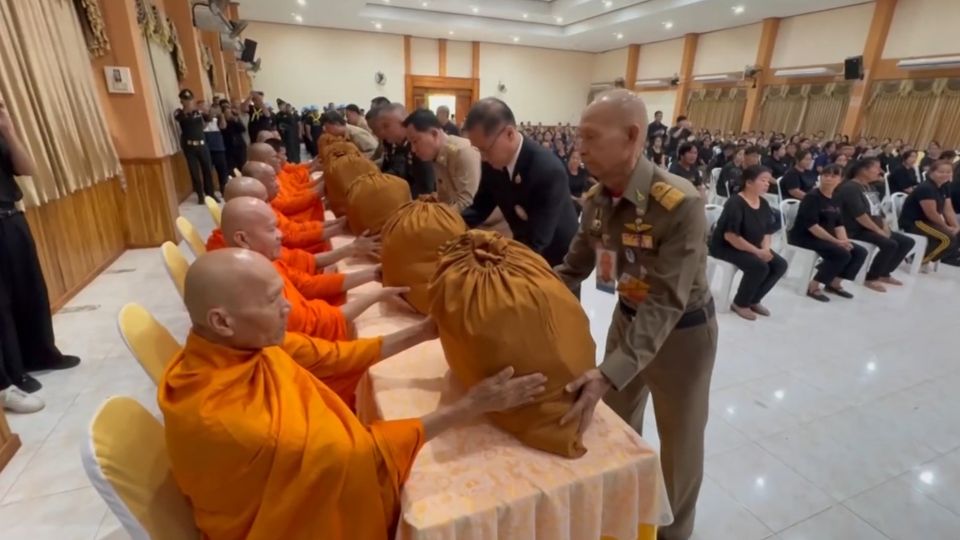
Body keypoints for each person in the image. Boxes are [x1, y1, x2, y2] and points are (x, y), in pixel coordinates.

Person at [160, 248, 546, 540]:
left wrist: (424, 330)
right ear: (222, 321)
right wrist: (471, 406)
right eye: (272, 300)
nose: (287, 307)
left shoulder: (230, 349)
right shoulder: (233, 420)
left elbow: (335, 356)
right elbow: (362, 458)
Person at [554, 90, 716, 540]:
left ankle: (674, 533)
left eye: (590, 137)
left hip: (681, 337)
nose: (580, 148)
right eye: (578, 137)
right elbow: (572, 268)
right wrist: (517, 288)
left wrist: (610, 371)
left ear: (631, 136)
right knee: (617, 425)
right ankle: (624, 513)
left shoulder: (679, 204)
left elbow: (666, 300)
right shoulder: (597, 200)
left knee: (680, 446)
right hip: (627, 319)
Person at [0, 99, 80, 412]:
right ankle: (13, 374)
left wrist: (9, 130)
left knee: (31, 291)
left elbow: (27, 169)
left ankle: (41, 354)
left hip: (11, 217)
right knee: (2, 304)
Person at [461, 98, 578, 267]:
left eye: (485, 150)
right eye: (478, 150)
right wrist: (452, 225)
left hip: (558, 256)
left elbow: (537, 240)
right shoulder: (492, 162)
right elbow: (480, 206)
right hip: (524, 245)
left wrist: (505, 266)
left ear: (509, 134)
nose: (482, 158)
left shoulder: (547, 170)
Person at [709, 166, 787, 320]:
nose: (767, 184)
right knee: (759, 266)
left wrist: (766, 249)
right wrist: (757, 252)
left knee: (780, 265)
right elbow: (731, 236)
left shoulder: (763, 203)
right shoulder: (735, 203)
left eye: (768, 181)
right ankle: (740, 303)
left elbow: (767, 231)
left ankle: (754, 299)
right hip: (726, 246)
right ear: (749, 183)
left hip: (752, 244)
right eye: (762, 180)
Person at [787, 164, 867, 302]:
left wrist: (844, 241)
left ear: (841, 179)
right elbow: (812, 227)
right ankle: (813, 286)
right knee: (841, 253)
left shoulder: (836, 197)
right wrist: (837, 242)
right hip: (805, 236)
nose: (828, 179)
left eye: (834, 176)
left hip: (825, 237)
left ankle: (834, 283)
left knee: (859, 252)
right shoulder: (812, 197)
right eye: (825, 175)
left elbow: (839, 224)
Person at [835, 158, 915, 292]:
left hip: (872, 227)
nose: (880, 171)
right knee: (890, 244)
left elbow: (879, 211)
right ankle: (871, 277)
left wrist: (885, 227)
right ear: (864, 170)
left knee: (907, 242)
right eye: (876, 168)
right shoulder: (851, 188)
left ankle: (884, 273)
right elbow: (860, 216)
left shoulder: (869, 187)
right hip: (855, 229)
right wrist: (878, 231)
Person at [403, 108, 478, 211]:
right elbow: (445, 199)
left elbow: (466, 202)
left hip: (481, 218)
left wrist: (437, 217)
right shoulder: (437, 155)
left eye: (415, 141)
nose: (413, 149)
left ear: (434, 134)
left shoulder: (462, 151)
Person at [898, 160, 960, 268]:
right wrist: (946, 227)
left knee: (956, 233)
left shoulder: (945, 186)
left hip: (928, 221)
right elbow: (931, 213)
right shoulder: (926, 188)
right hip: (915, 222)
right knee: (947, 238)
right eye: (941, 172)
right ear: (931, 172)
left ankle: (944, 257)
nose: (945, 174)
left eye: (948, 172)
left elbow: (948, 209)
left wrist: (956, 226)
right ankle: (918, 259)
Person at [372, 104, 436, 197]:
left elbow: (426, 187)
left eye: (386, 126)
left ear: (403, 124)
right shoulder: (392, 144)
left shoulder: (418, 145)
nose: (382, 132)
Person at [174, 89, 216, 204]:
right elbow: (181, 119)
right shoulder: (179, 112)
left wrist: (208, 110)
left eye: (190, 99)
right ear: (181, 101)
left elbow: (208, 119)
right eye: (185, 100)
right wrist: (192, 109)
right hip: (189, 147)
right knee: (194, 172)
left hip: (202, 145)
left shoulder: (198, 112)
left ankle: (210, 194)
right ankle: (200, 195)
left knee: (207, 169)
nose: (188, 102)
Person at [202, 101, 230, 194]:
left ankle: (224, 189)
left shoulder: (217, 118)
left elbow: (223, 126)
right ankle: (209, 192)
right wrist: (209, 116)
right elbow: (202, 127)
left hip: (219, 147)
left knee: (222, 170)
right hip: (207, 149)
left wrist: (221, 115)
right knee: (207, 171)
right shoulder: (200, 117)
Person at [221, 100, 247, 174]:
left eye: (229, 112)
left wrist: (235, 120)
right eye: (226, 113)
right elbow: (222, 128)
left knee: (242, 166)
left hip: (239, 146)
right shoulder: (222, 121)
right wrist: (223, 118)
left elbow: (243, 129)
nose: (228, 114)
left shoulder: (235, 119)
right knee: (231, 168)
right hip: (228, 147)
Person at [566, 150, 593, 215]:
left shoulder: (582, 172)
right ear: (569, 158)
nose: (575, 160)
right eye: (573, 158)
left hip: (581, 199)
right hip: (568, 200)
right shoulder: (564, 172)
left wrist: (584, 195)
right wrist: (577, 200)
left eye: (578, 158)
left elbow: (585, 186)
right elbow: (562, 191)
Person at [275, 99, 302, 164]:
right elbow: (276, 125)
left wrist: (300, 133)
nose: (280, 107)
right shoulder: (278, 115)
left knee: (294, 149)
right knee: (286, 150)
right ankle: (288, 162)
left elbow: (299, 124)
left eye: (282, 105)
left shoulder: (293, 114)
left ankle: (296, 162)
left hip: (293, 135)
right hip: (283, 136)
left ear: (285, 105)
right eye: (279, 106)